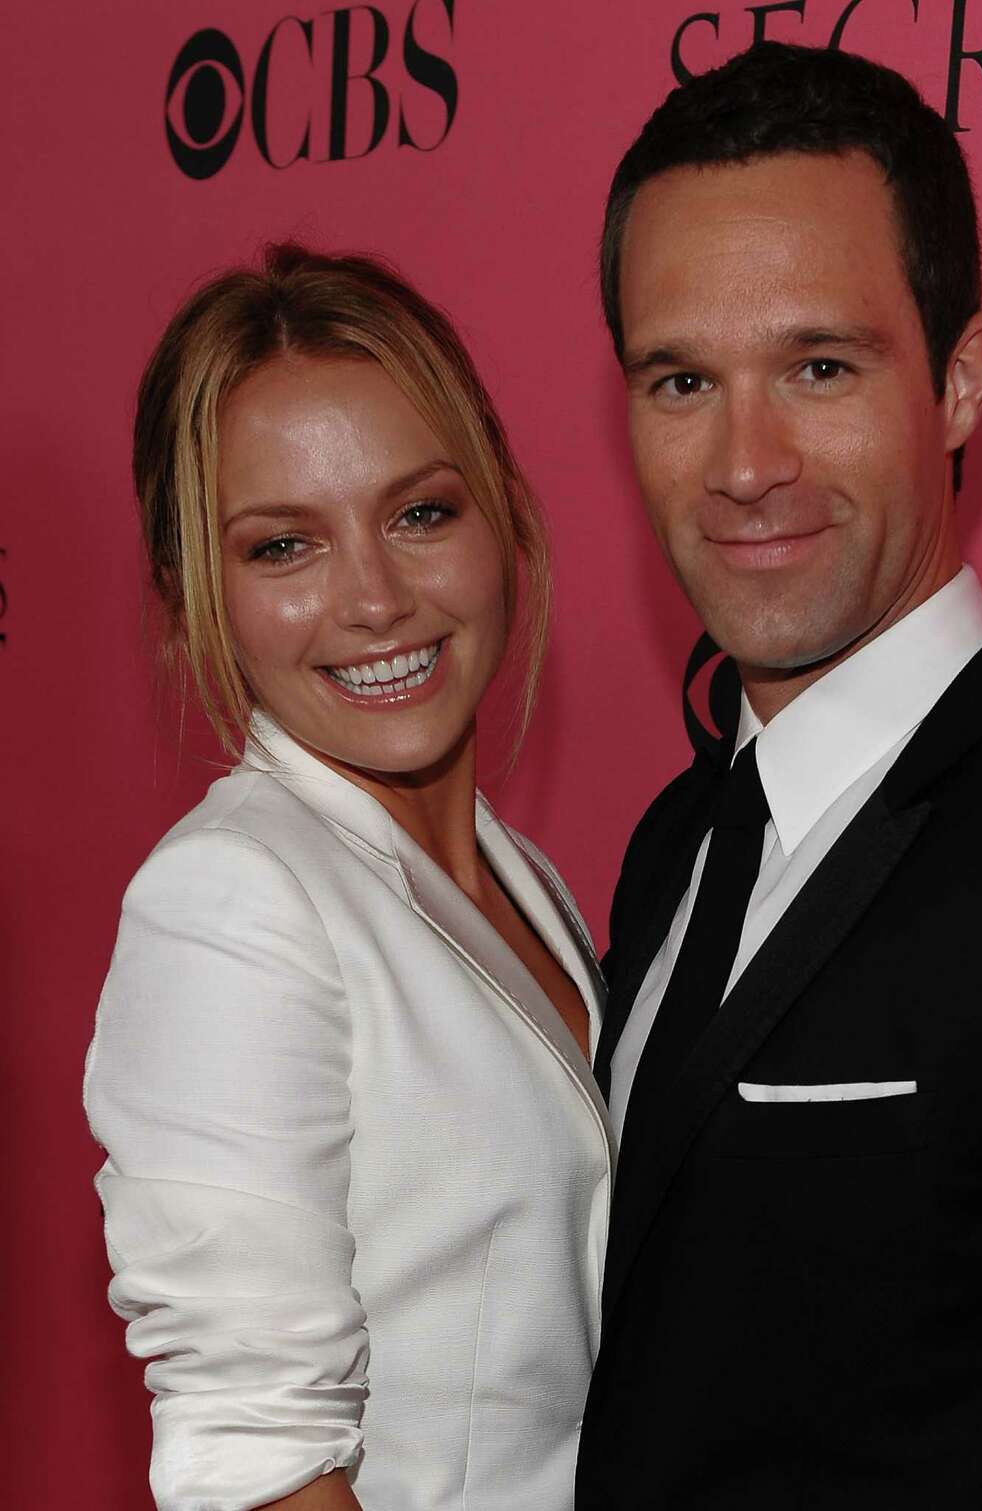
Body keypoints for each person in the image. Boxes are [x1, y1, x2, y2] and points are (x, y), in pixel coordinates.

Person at [576, 41, 982, 1509]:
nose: (745, 459)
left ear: (963, 377)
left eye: (819, 365)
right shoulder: (677, 841)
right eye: (681, 379)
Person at [84, 244, 613, 1511]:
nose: (375, 598)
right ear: (190, 591)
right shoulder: (230, 903)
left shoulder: (519, 873)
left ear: (502, 512)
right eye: (284, 547)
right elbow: (259, 1464)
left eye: (421, 513)